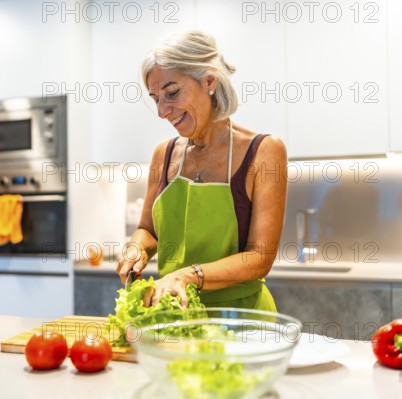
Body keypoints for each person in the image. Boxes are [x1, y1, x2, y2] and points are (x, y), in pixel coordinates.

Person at [116, 30, 287, 311]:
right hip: (176, 313)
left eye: (171, 93)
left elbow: (260, 257)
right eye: (155, 98)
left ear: (209, 81)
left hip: (241, 318)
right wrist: (137, 248)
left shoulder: (264, 151)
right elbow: (148, 230)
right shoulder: (164, 154)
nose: (161, 111)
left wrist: (186, 276)